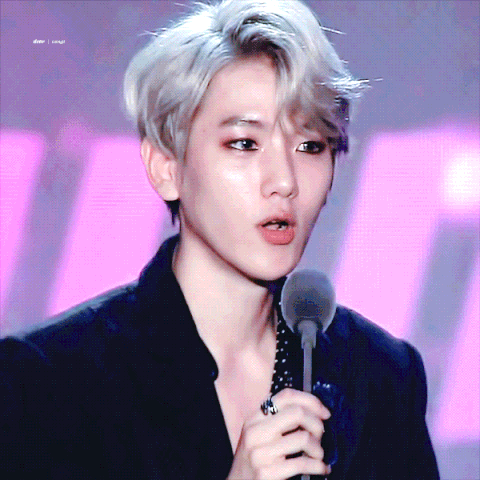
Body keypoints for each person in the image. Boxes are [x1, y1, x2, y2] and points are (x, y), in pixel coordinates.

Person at [0, 0, 439, 479]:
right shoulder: (49, 382)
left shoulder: (381, 376)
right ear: (166, 167)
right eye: (244, 144)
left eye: (310, 145)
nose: (284, 181)